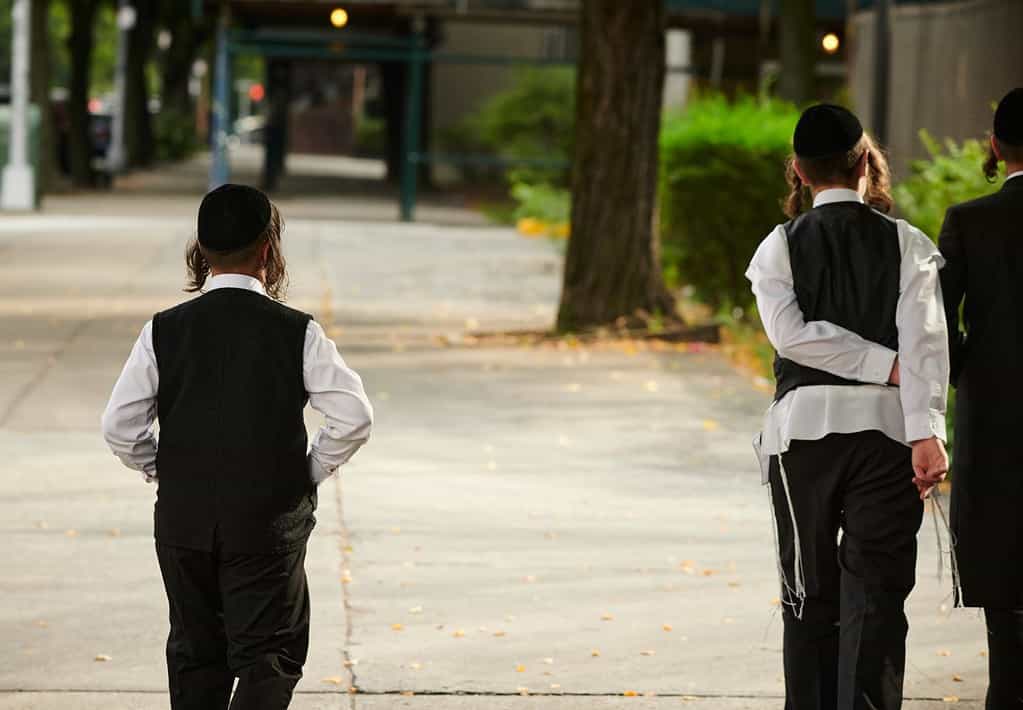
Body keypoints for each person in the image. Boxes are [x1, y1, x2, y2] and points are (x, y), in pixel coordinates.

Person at [101, 184, 374, 710]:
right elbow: (353, 417)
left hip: (185, 522)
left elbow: (120, 425)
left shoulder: (163, 331)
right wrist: (308, 471)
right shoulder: (298, 333)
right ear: (268, 251)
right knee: (269, 656)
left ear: (201, 253)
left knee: (196, 655)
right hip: (267, 523)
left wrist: (164, 469)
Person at [747, 104, 950, 710]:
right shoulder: (908, 243)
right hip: (888, 434)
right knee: (878, 595)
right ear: (867, 162)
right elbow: (926, 345)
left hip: (800, 437)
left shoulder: (777, 246)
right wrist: (926, 430)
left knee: (807, 593)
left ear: (800, 173)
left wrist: (873, 363)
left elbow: (791, 336)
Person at [938, 87, 1023, 710]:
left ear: (994, 146)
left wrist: (971, 369)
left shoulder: (969, 220)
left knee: (1002, 565)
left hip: (994, 417)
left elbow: (938, 326)